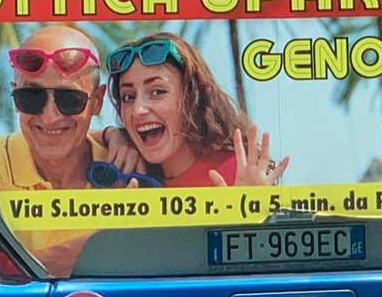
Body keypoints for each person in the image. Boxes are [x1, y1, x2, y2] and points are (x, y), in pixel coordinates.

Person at [0, 23, 112, 274]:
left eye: (69, 100)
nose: (50, 117)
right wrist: (102, 246)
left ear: (97, 101)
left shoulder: (124, 165)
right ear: (14, 96)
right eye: (31, 98)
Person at [99, 32, 288, 188]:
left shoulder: (238, 171)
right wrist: (113, 134)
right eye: (128, 97)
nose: (137, 109)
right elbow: (73, 135)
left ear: (193, 96)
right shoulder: (129, 171)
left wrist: (251, 212)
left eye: (157, 92)